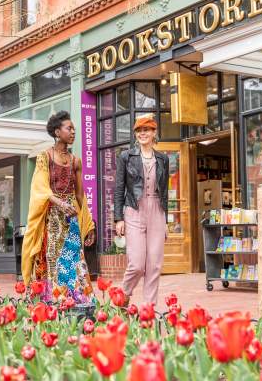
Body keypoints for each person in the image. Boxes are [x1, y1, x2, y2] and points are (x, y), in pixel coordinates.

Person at [21, 111, 96, 305]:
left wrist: (89, 225)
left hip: (71, 219)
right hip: (52, 219)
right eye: (68, 128)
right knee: (53, 259)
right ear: (57, 132)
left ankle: (77, 300)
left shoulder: (76, 161)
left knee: (75, 259)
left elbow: (80, 195)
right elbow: (40, 189)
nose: (73, 132)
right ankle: (53, 301)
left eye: (74, 129)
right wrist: (61, 203)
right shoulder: (44, 157)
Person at [114, 116, 169, 305]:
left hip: (157, 211)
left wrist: (166, 221)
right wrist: (118, 218)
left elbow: (165, 191)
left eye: (147, 130)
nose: (142, 133)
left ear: (154, 133)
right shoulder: (126, 157)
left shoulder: (163, 159)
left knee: (154, 265)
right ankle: (122, 296)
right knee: (137, 264)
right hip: (134, 209)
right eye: (139, 131)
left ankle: (148, 311)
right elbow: (119, 188)